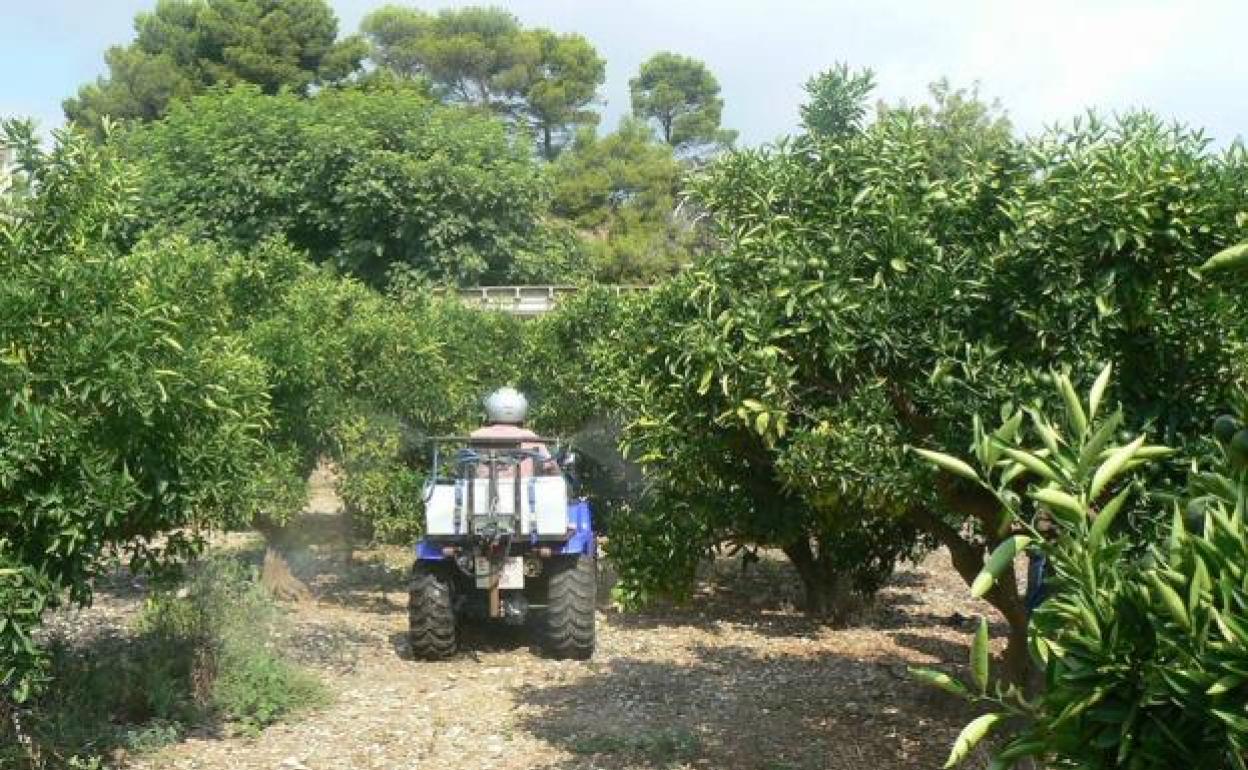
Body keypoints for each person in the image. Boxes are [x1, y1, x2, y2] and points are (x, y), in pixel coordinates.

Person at [469, 387, 554, 477]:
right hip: (524, 489)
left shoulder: (476, 436)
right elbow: (550, 466)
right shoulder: (530, 437)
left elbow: (463, 467)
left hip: (481, 489)